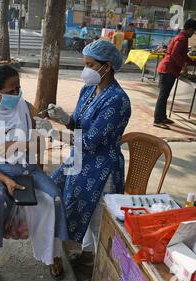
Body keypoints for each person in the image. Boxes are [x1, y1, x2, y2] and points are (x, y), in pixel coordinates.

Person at [0, 65, 68, 281]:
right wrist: (6, 180)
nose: (17, 95)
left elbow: (38, 143)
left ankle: (54, 254)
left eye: (18, 88)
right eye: (11, 91)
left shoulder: (24, 108)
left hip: (26, 169)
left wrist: (44, 132)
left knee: (55, 197)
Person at [35, 40, 131, 267]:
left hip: (101, 167)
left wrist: (53, 134)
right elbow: (80, 124)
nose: (85, 69)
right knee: (72, 204)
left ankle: (106, 271)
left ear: (106, 66)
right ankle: (88, 253)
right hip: (80, 160)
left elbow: (89, 141)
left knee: (98, 220)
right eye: (84, 63)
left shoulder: (117, 100)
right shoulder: (88, 90)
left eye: (90, 64)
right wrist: (65, 119)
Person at [153, 19, 196, 128]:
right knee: (163, 96)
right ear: (189, 29)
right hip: (168, 70)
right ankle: (157, 120)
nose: (193, 34)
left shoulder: (181, 38)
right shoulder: (182, 39)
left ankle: (162, 117)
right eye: (193, 31)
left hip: (169, 69)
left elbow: (184, 57)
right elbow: (175, 55)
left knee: (164, 96)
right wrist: (183, 66)